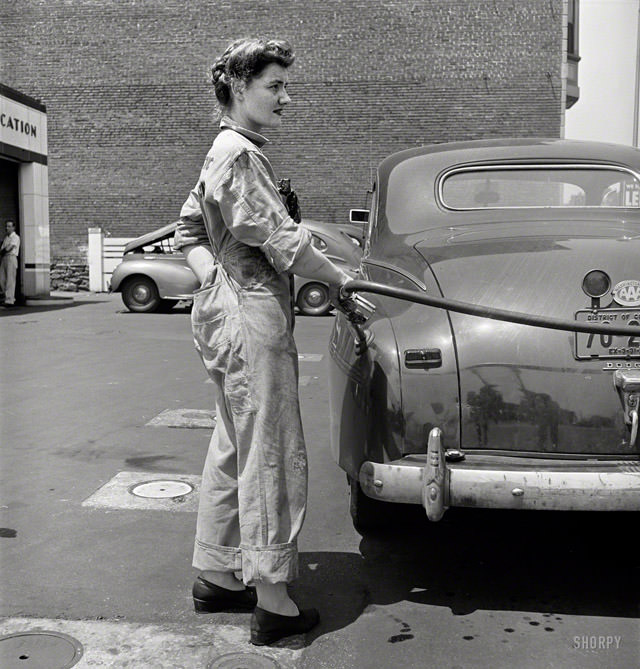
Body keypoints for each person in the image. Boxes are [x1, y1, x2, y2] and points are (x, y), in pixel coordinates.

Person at [174, 37, 352, 645]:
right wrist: (342, 277)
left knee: (234, 443)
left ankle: (218, 574)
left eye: (284, 85)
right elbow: (284, 242)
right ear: (239, 87)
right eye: (274, 86)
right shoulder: (240, 154)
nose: (285, 97)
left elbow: (190, 230)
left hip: (225, 315)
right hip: (250, 317)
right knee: (270, 449)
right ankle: (272, 596)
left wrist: (212, 275)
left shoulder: (219, 152)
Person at [0, 220, 20, 307]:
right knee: (2, 279)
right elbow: (2, 249)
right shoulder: (6, 238)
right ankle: (5, 297)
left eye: (9, 226)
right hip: (4, 258)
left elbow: (9, 248)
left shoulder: (15, 237)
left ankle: (10, 300)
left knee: (10, 280)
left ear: (13, 227)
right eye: (6, 226)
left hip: (11, 257)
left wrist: (4, 250)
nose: (7, 228)